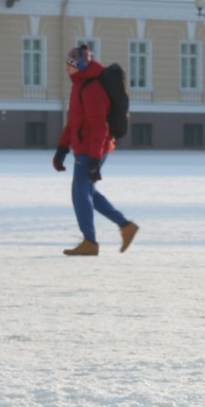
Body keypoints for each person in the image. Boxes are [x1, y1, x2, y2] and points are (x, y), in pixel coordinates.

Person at [53, 45, 138, 256]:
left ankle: (90, 242)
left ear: (79, 66)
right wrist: (62, 148)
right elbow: (74, 122)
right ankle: (125, 226)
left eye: (69, 65)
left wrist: (93, 158)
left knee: (79, 193)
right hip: (86, 147)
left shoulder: (92, 88)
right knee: (88, 192)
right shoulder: (79, 84)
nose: (66, 68)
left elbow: (100, 126)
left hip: (92, 148)